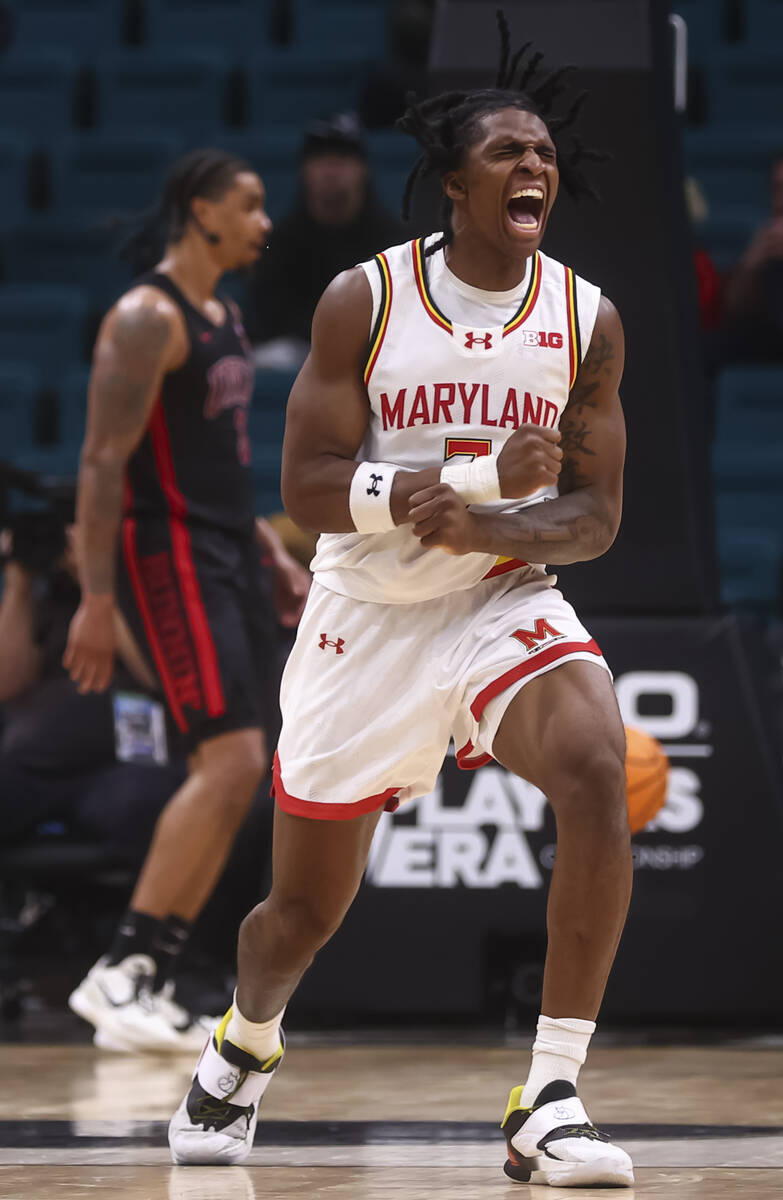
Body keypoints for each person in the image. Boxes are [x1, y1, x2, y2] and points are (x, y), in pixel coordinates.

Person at [170, 16, 634, 1189]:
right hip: (363, 619)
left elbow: (593, 517)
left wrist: (488, 530)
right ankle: (244, 1045)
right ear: (454, 182)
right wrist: (472, 485)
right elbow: (306, 490)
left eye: (543, 152)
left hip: (496, 599)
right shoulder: (364, 300)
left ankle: (552, 1092)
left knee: (593, 760)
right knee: (298, 920)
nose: (533, 166)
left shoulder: (584, 320)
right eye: (507, 154)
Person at [64, 149, 311, 1053]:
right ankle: (120, 971)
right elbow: (98, 464)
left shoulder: (227, 318)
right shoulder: (144, 317)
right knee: (227, 759)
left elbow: (219, 469)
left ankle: (147, 972)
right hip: (161, 551)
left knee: (241, 767)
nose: (264, 223)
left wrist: (270, 556)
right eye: (249, 206)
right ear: (201, 211)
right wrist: (95, 599)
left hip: (222, 550)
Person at [0, 518, 183, 865]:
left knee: (142, 808)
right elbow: (7, 683)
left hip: (128, 760)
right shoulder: (52, 594)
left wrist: (97, 583)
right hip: (36, 761)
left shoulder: (158, 577)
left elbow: (162, 677)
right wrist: (18, 581)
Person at [248, 113, 407, 369]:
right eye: (320, 159)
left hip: (373, 353)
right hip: (298, 355)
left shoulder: (394, 243)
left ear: (363, 170)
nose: (330, 169)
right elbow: (268, 316)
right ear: (304, 170)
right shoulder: (277, 241)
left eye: (342, 158)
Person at [722, 146, 783, 362]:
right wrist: (751, 263)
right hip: (771, 350)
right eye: (781, 188)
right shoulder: (763, 244)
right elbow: (733, 309)